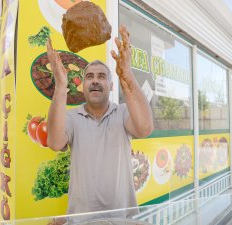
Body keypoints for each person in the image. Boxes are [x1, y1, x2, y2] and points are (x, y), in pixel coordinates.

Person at [46, 25, 154, 222]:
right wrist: (61, 87)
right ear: (83, 86)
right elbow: (54, 142)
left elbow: (145, 128)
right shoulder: (71, 117)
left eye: (102, 76)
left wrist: (127, 74)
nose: (95, 81)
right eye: (89, 77)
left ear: (111, 86)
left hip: (121, 218)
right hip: (81, 220)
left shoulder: (122, 112)